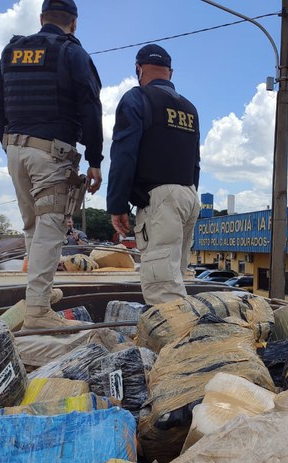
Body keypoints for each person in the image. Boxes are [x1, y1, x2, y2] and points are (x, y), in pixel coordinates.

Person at [0, 0, 103, 329]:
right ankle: (38, 312)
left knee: (32, 227)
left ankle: (40, 294)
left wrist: (9, 144)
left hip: (15, 149)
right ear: (74, 23)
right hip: (52, 153)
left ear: (41, 19)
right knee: (50, 229)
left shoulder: (12, 52)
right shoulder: (73, 53)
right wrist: (95, 160)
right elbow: (90, 108)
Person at [106, 44, 200, 305]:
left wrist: (117, 204)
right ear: (171, 72)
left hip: (160, 200)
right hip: (189, 196)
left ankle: (175, 343)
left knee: (162, 289)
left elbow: (124, 154)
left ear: (138, 69)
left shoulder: (137, 98)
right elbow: (196, 163)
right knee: (178, 278)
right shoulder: (190, 109)